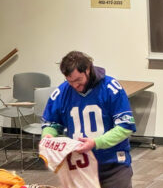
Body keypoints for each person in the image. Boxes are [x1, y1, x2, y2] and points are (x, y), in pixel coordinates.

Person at [41, 51, 136, 188]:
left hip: (113, 166)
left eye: (78, 80)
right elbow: (51, 124)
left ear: (88, 69)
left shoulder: (111, 88)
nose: (75, 86)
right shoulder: (62, 92)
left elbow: (125, 127)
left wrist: (96, 143)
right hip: (79, 168)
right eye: (70, 81)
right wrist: (48, 135)